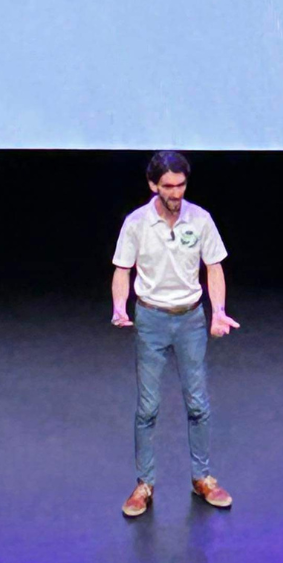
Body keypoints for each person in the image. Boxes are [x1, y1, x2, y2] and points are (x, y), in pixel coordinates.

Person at [111, 151, 241, 517]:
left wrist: (219, 312)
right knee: (148, 408)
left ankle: (202, 478)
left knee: (198, 404)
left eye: (181, 184)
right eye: (168, 185)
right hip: (151, 319)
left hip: (190, 320)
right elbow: (123, 269)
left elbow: (213, 266)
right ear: (153, 185)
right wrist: (120, 307)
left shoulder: (200, 219)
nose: (176, 192)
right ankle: (144, 484)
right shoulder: (136, 223)